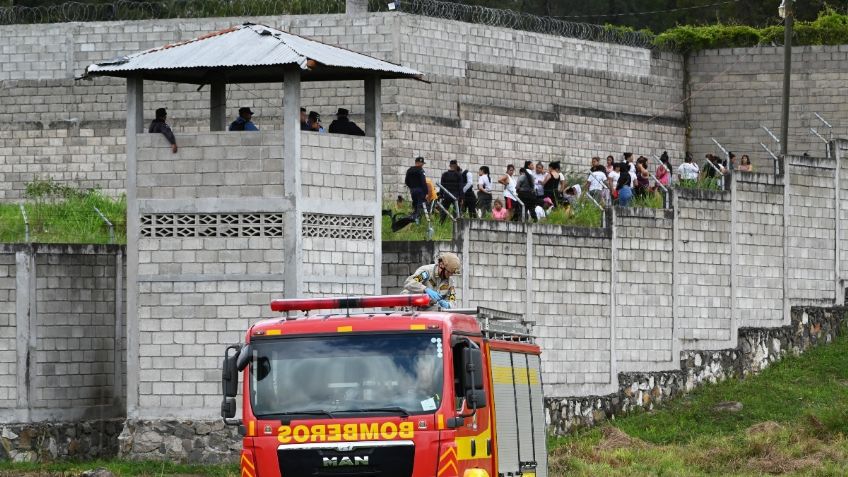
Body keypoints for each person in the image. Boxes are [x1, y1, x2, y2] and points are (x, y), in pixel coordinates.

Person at [404, 156, 428, 222]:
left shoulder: (409, 170)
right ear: (419, 163)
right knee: (419, 207)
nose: (423, 164)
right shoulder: (421, 170)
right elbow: (423, 182)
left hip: (413, 190)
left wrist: (411, 187)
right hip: (420, 191)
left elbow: (406, 181)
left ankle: (413, 220)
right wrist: (426, 192)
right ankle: (417, 220)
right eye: (422, 163)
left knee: (415, 205)